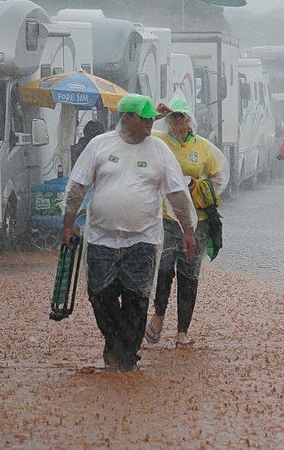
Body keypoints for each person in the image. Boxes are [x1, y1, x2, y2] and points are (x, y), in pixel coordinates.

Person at [62, 94, 196, 372]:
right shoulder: (99, 146)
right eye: (144, 118)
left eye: (151, 118)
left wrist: (188, 230)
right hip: (101, 239)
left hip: (143, 240)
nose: (150, 123)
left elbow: (177, 194)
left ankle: (126, 358)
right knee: (100, 295)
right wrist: (68, 223)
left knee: (136, 297)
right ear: (128, 118)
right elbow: (77, 187)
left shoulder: (158, 150)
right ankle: (116, 344)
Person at [146, 96, 226, 349]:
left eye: (180, 116)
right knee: (165, 268)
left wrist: (195, 186)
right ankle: (158, 315)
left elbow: (217, 180)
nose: (176, 122)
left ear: (189, 119)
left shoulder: (203, 148)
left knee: (189, 275)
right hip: (169, 219)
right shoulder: (159, 143)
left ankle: (182, 332)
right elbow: (138, 132)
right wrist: (157, 115)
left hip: (198, 221)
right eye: (173, 117)